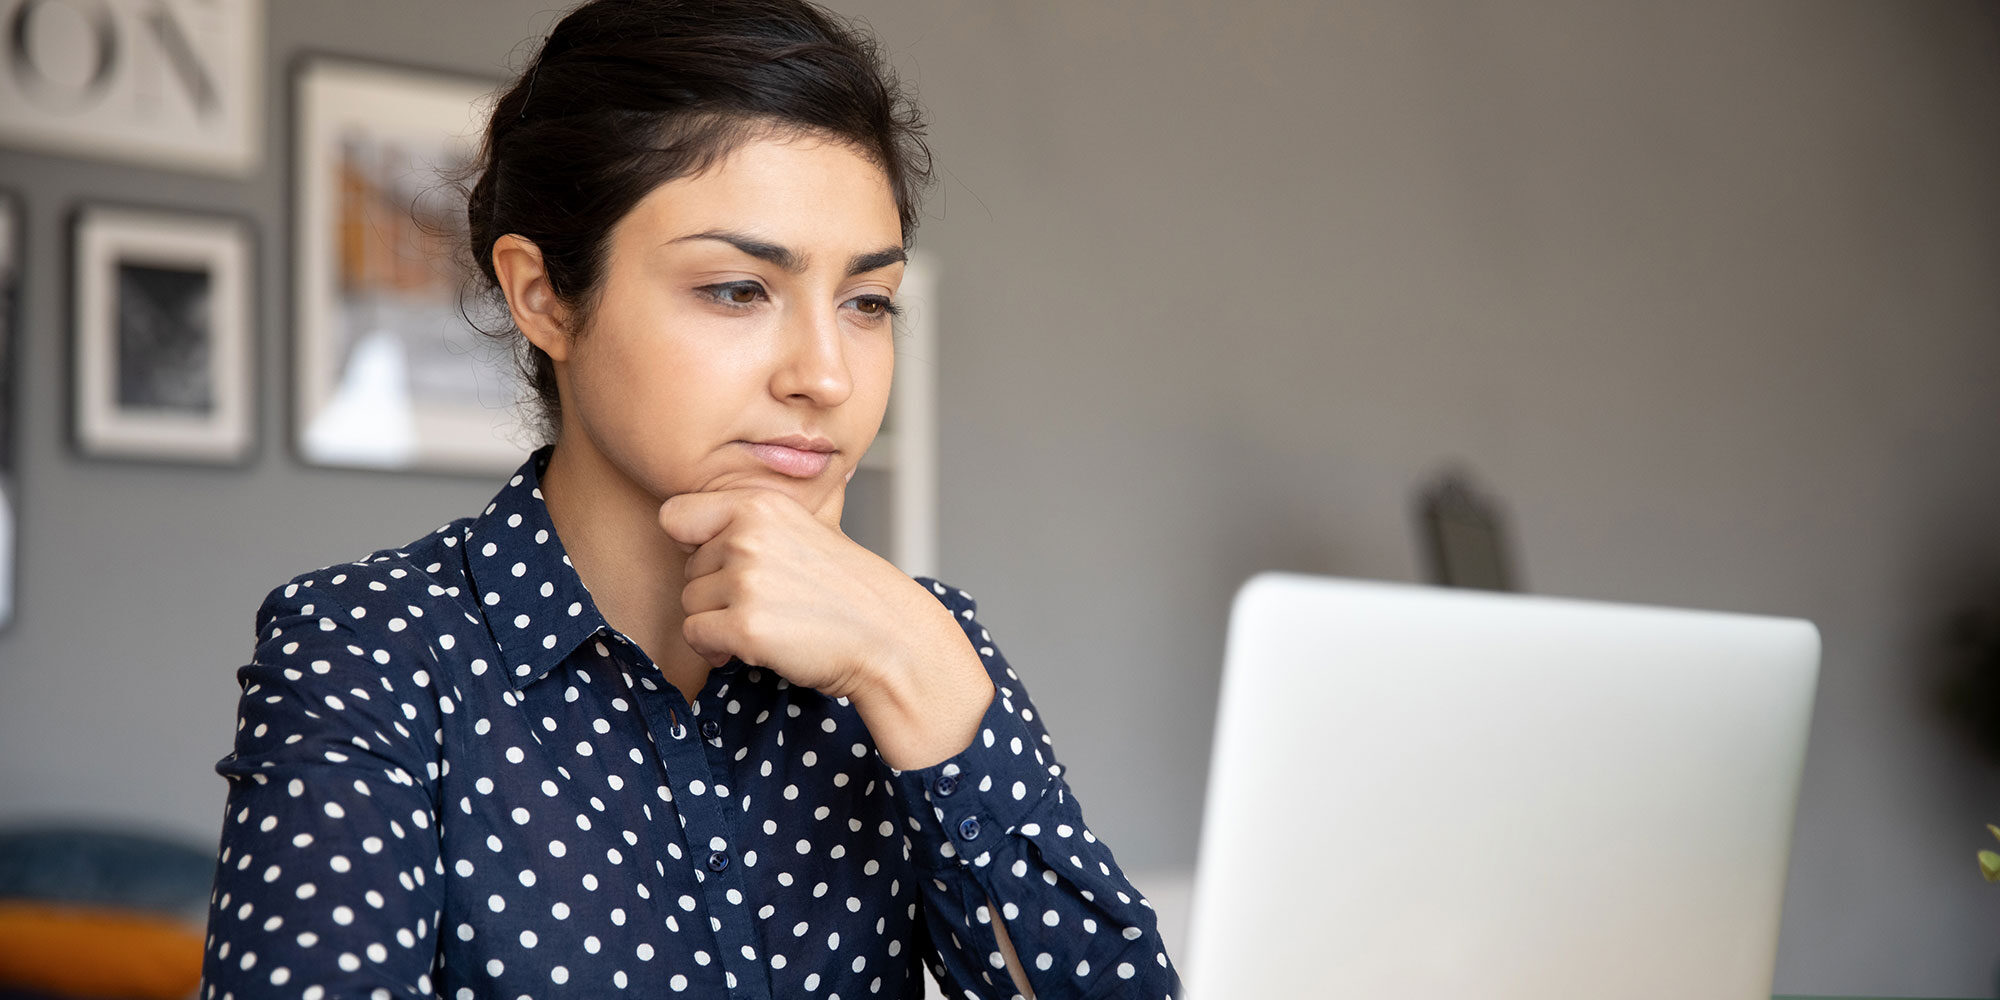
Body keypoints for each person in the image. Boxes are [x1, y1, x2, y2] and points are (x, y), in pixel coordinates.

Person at [198, 2, 1181, 998]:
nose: (826, 377)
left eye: (866, 302)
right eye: (735, 290)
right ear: (543, 296)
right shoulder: (367, 650)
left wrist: (910, 669)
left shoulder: (914, 646)